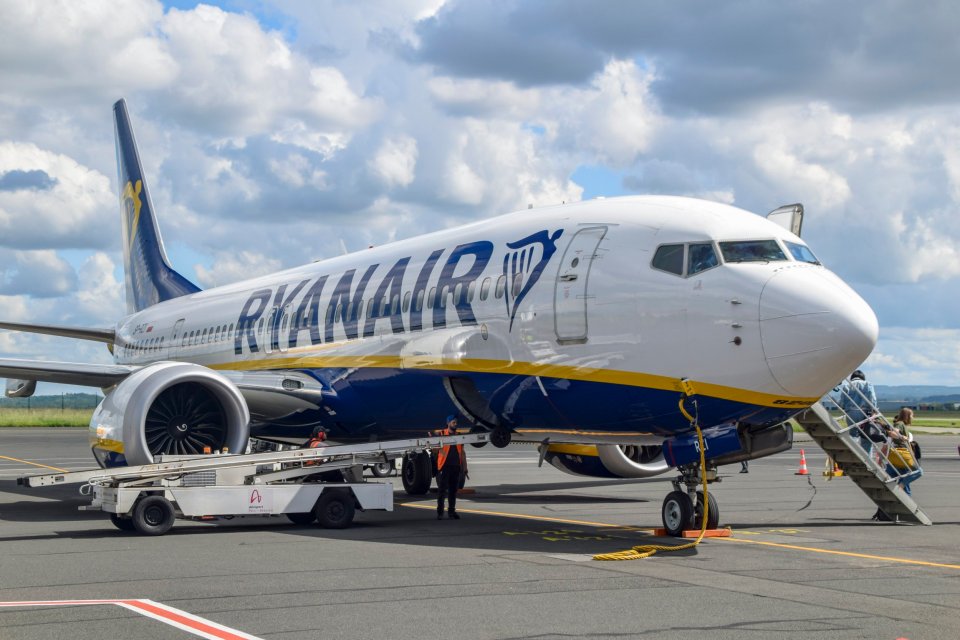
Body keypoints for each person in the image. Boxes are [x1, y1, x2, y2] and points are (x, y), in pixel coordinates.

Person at [436, 415, 467, 520]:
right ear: (448, 423)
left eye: (456, 422)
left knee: (453, 491)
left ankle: (451, 512)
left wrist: (465, 467)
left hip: (455, 467)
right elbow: (435, 449)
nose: (456, 424)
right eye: (454, 422)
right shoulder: (441, 434)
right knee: (442, 491)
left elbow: (462, 453)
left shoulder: (459, 436)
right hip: (444, 467)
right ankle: (440, 512)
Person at [838, 370, 879, 447]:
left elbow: (842, 402)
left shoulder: (847, 385)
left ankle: (852, 452)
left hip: (850, 413)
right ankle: (866, 457)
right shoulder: (867, 384)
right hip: (865, 412)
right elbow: (873, 399)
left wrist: (843, 407)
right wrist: (874, 410)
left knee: (853, 434)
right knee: (866, 436)